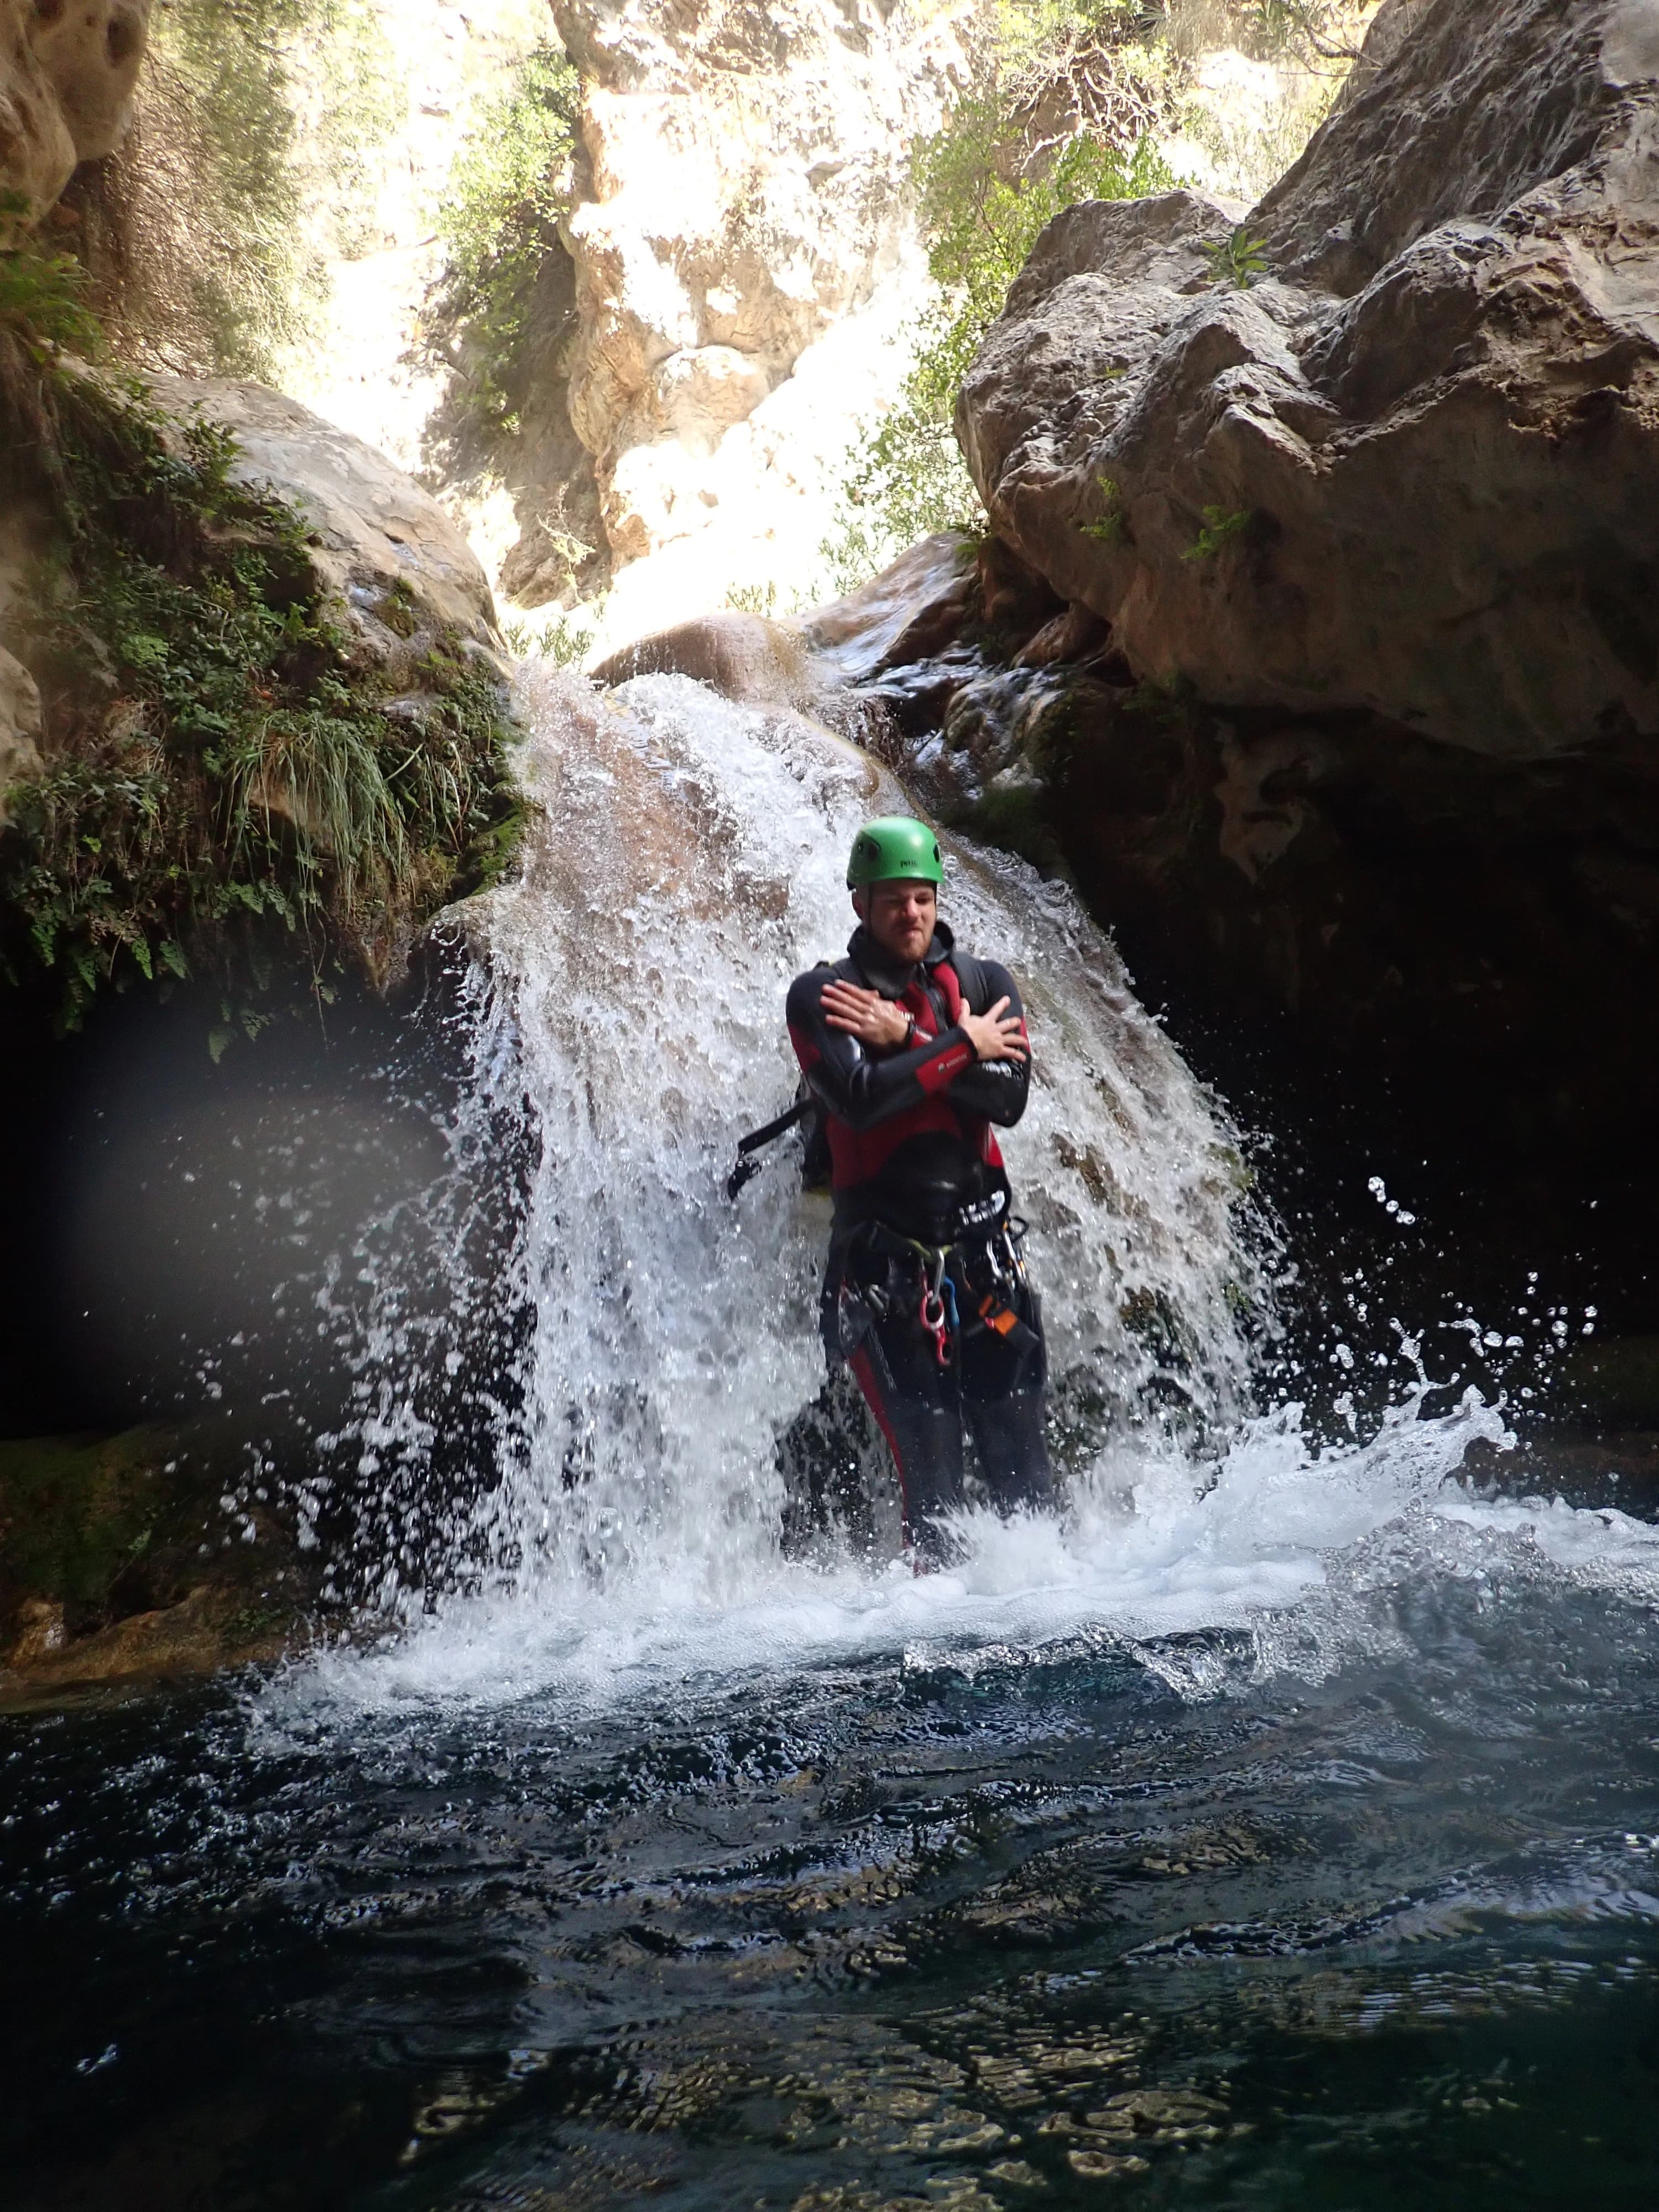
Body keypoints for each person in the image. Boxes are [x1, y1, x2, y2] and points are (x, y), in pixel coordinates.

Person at [786, 816, 1053, 1564]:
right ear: (862, 905)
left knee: (1022, 1461)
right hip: (886, 1274)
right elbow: (863, 1099)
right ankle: (935, 1653)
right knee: (931, 1479)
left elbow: (1006, 1101)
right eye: (895, 899)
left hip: (988, 1263)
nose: (912, 914)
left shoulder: (983, 984)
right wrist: (965, 1047)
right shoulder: (822, 998)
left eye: (923, 898)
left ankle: (1053, 1617)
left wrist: (910, 1040)